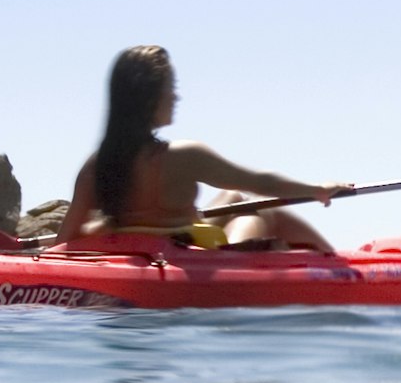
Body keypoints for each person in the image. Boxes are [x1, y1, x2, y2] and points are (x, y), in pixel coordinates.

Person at [61, 45, 354, 249]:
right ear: (150, 99)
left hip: (139, 247)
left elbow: (68, 237)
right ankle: (343, 269)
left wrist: (112, 226)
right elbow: (261, 182)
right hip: (187, 253)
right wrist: (317, 189)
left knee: (233, 196)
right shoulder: (184, 156)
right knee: (265, 213)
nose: (176, 97)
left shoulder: (97, 164)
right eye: (170, 88)